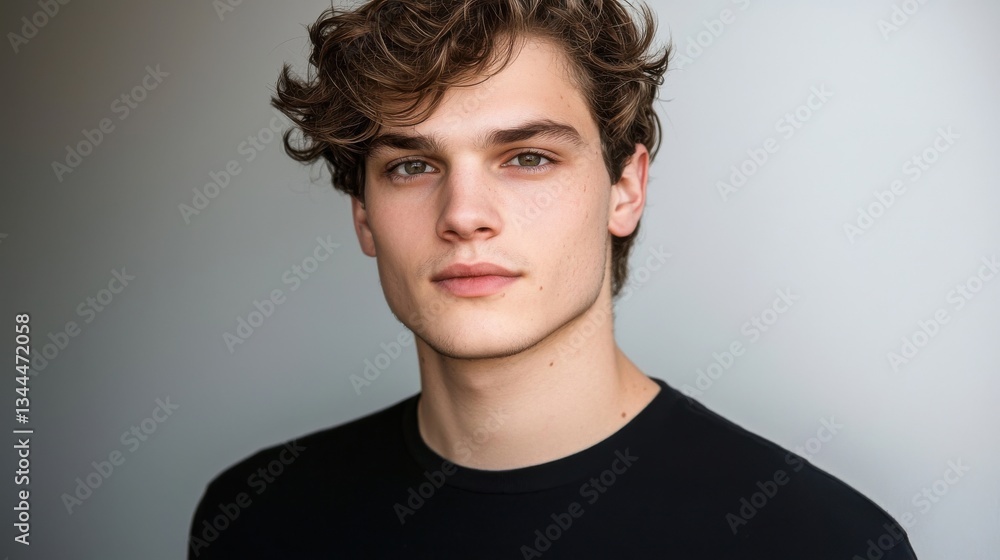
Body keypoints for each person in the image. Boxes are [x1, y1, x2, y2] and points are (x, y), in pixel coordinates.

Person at [189, 1, 919, 557]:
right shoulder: (256, 517)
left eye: (528, 158)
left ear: (626, 188)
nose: (464, 215)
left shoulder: (821, 541)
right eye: (412, 166)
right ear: (364, 216)